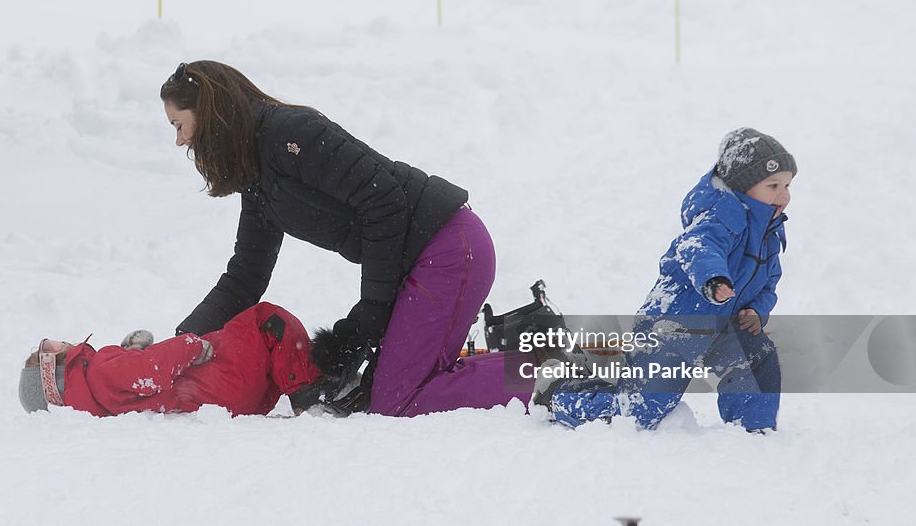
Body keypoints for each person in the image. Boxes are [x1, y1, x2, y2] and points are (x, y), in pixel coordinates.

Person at [160, 61, 534, 417]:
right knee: (393, 385)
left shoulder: (290, 134)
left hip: (449, 248)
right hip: (425, 257)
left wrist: (371, 313)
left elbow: (383, 199)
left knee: (397, 398)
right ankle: (543, 354)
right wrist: (180, 343)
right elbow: (246, 275)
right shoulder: (258, 178)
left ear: (209, 114)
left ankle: (553, 373)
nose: (179, 141)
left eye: (179, 124)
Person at [543, 128, 795, 432]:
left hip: (726, 324)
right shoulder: (720, 216)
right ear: (743, 187)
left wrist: (757, 310)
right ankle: (560, 396)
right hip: (674, 326)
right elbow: (698, 248)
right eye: (773, 185)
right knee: (641, 412)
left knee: (758, 359)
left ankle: (755, 428)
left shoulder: (770, 230)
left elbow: (769, 282)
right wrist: (714, 280)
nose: (784, 195)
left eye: (787, 185)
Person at [18, 302, 327, 417]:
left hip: (224, 401)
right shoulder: (98, 373)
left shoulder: (97, 400)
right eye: (56, 349)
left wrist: (131, 352)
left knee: (256, 347)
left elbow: (135, 383)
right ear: (57, 374)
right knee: (266, 320)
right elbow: (150, 372)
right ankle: (310, 391)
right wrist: (190, 346)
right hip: (222, 381)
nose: (65, 345)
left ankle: (311, 378)